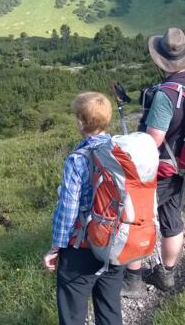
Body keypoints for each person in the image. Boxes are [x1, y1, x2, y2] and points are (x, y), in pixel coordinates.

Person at [121, 27, 185, 297]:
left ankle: (133, 281)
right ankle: (166, 275)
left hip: (161, 167)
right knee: (171, 217)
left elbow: (152, 140)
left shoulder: (166, 95)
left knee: (137, 218)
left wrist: (127, 149)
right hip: (184, 164)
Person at [43, 92, 124, 325]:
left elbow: (67, 210)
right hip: (117, 242)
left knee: (72, 315)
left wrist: (55, 247)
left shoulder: (77, 159)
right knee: (110, 309)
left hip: (84, 247)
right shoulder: (122, 149)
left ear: (80, 122)